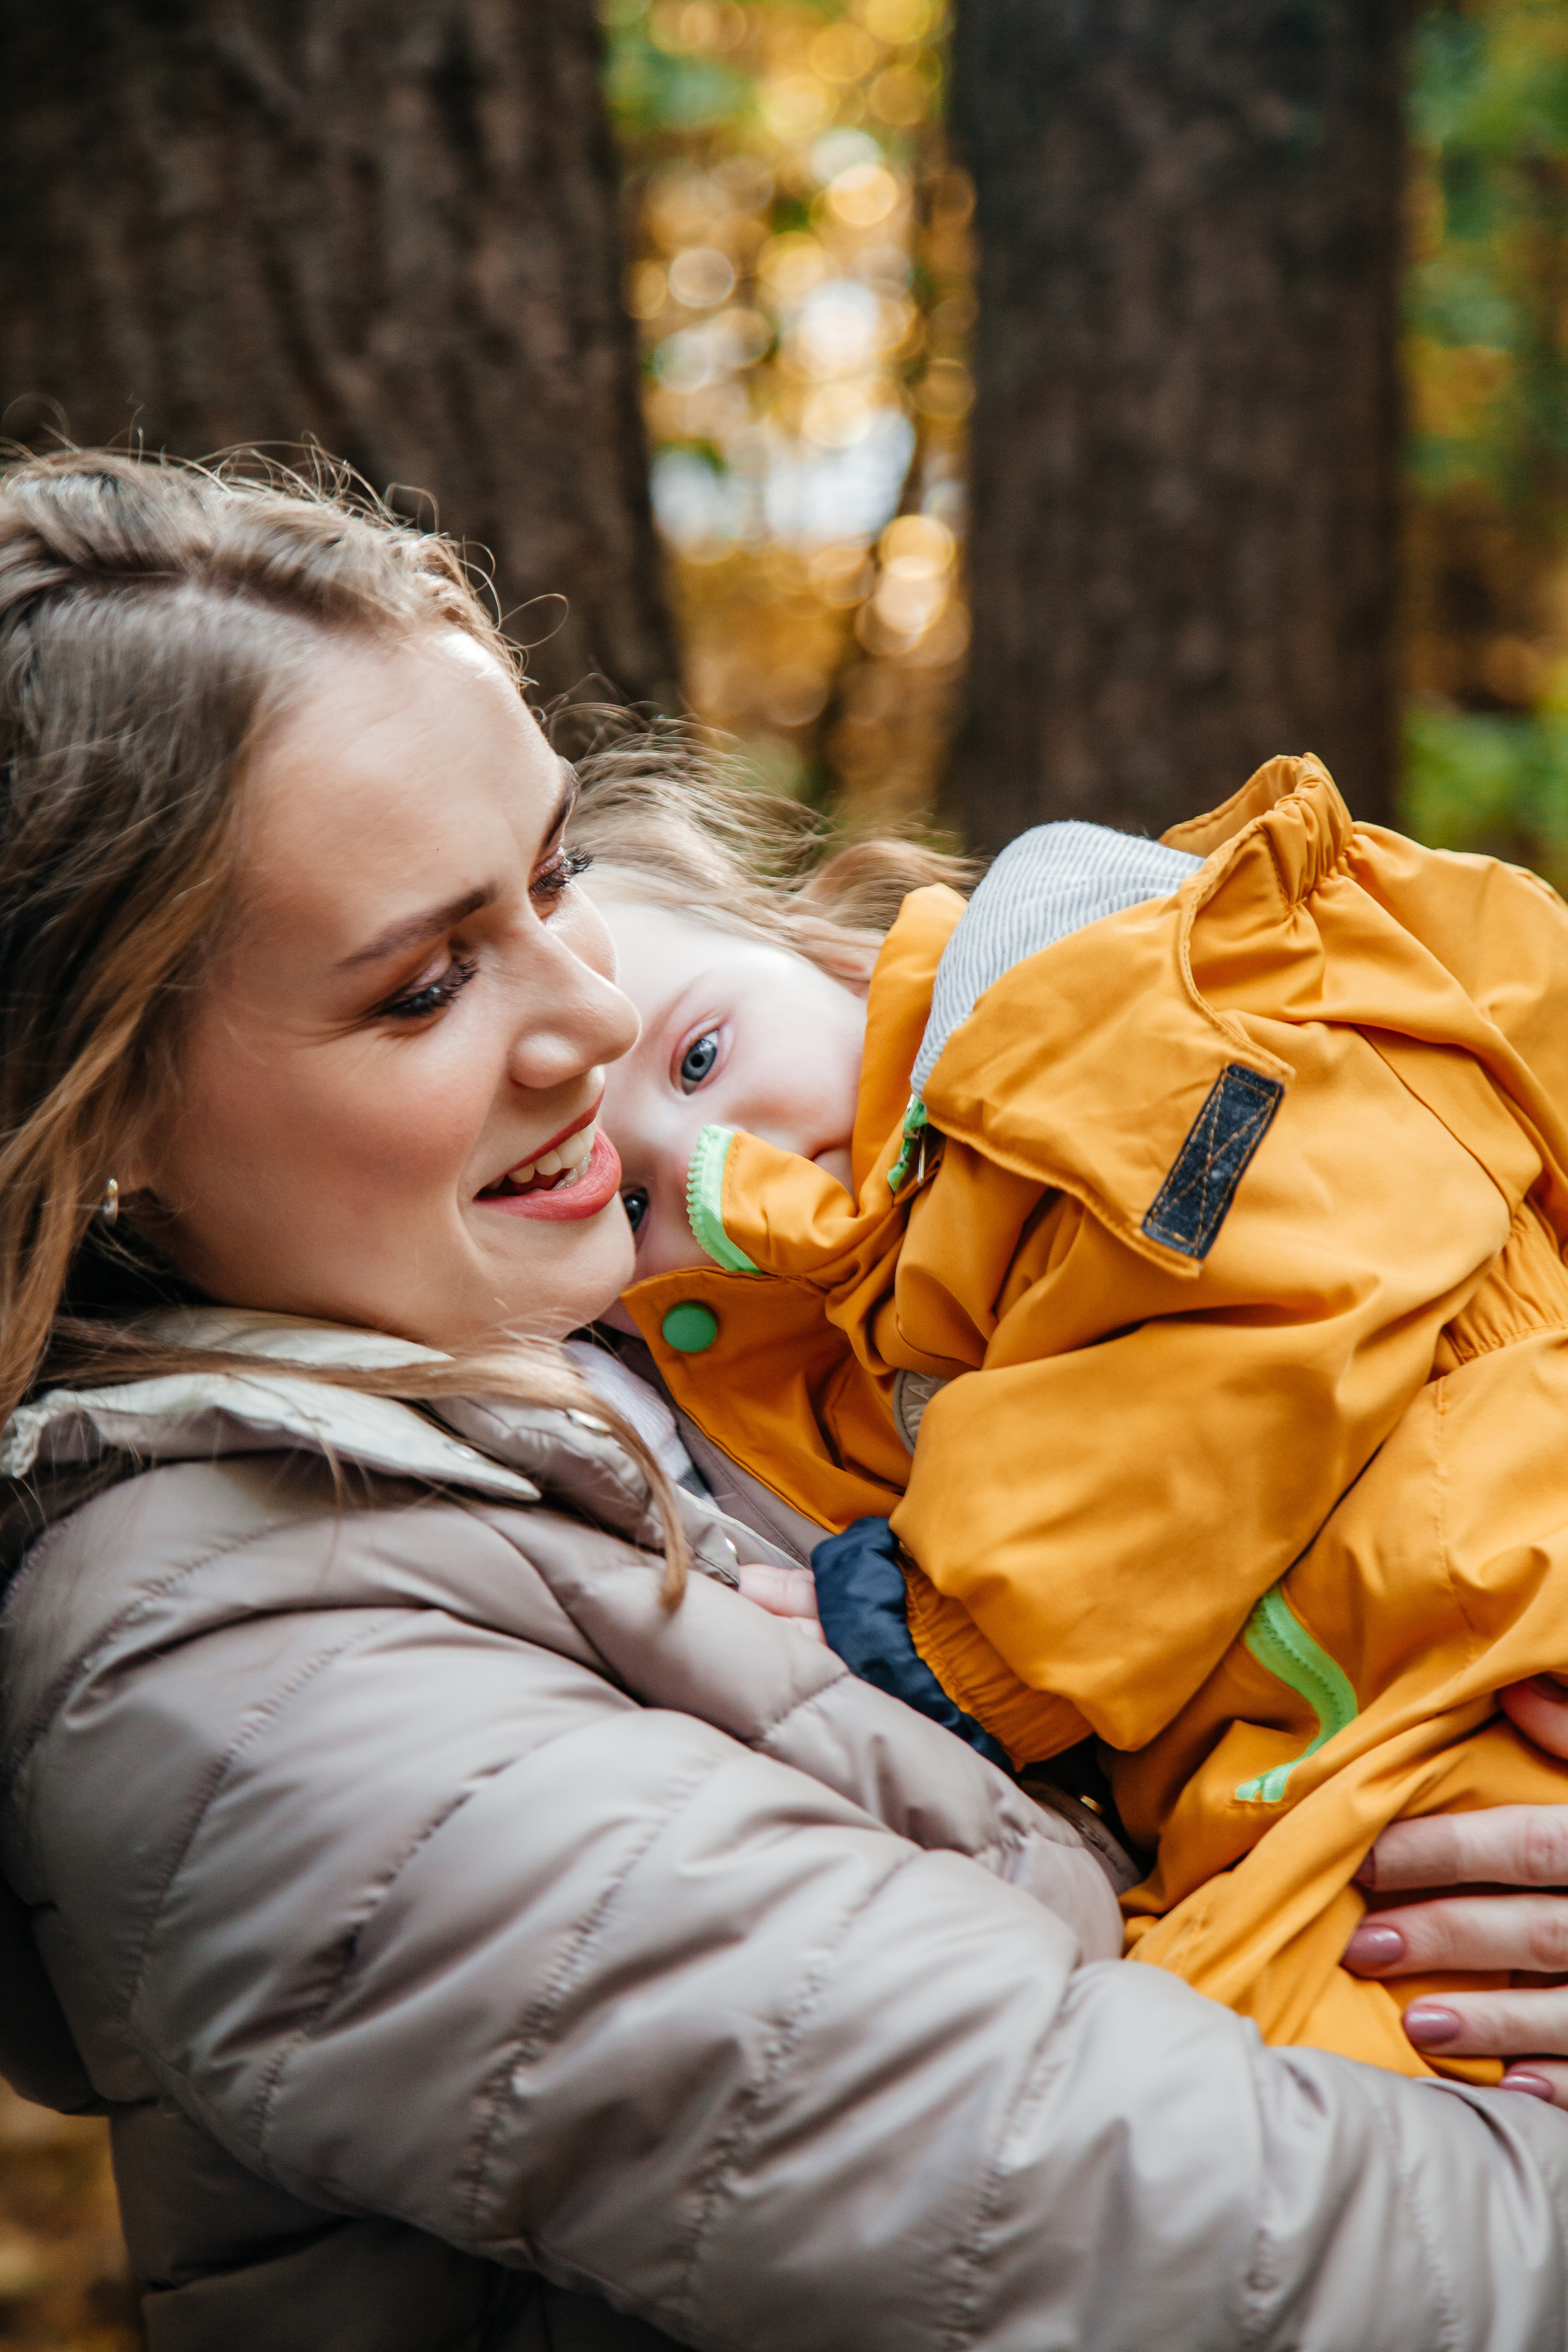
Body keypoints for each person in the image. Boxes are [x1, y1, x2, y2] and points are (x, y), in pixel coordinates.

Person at [3, 451, 1568, 2352]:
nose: (586, 1018)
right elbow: (1209, 2253)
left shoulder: (662, 1367)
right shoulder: (244, 1681)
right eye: (423, 987)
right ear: (95, 1137)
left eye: (558, 872)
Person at [578, 741, 1568, 2079]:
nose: (706, 1159)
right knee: (1221, 2060)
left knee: (1299, 2088)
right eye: (627, 1199)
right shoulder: (838, 1350)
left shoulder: (1074, 1004)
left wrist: (960, 1639)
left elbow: (1272, 1299)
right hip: (1331, 1726)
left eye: (700, 1055)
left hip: (1495, 1578)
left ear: (814, 948)